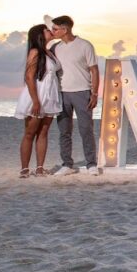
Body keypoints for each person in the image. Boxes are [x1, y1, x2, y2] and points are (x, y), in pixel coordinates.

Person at [47, 15, 100, 176]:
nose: (53, 31)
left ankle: (91, 164)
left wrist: (94, 93)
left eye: (55, 29)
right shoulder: (55, 48)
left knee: (86, 129)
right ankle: (67, 165)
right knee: (64, 131)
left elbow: (94, 70)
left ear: (65, 29)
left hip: (82, 92)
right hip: (61, 93)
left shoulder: (85, 45)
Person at [14, 24, 63, 177]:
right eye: (47, 30)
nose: (50, 31)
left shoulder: (50, 52)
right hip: (37, 94)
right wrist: (35, 101)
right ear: (40, 35)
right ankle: (24, 169)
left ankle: (40, 168)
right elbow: (29, 77)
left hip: (51, 95)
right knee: (30, 133)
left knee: (43, 132)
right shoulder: (35, 52)